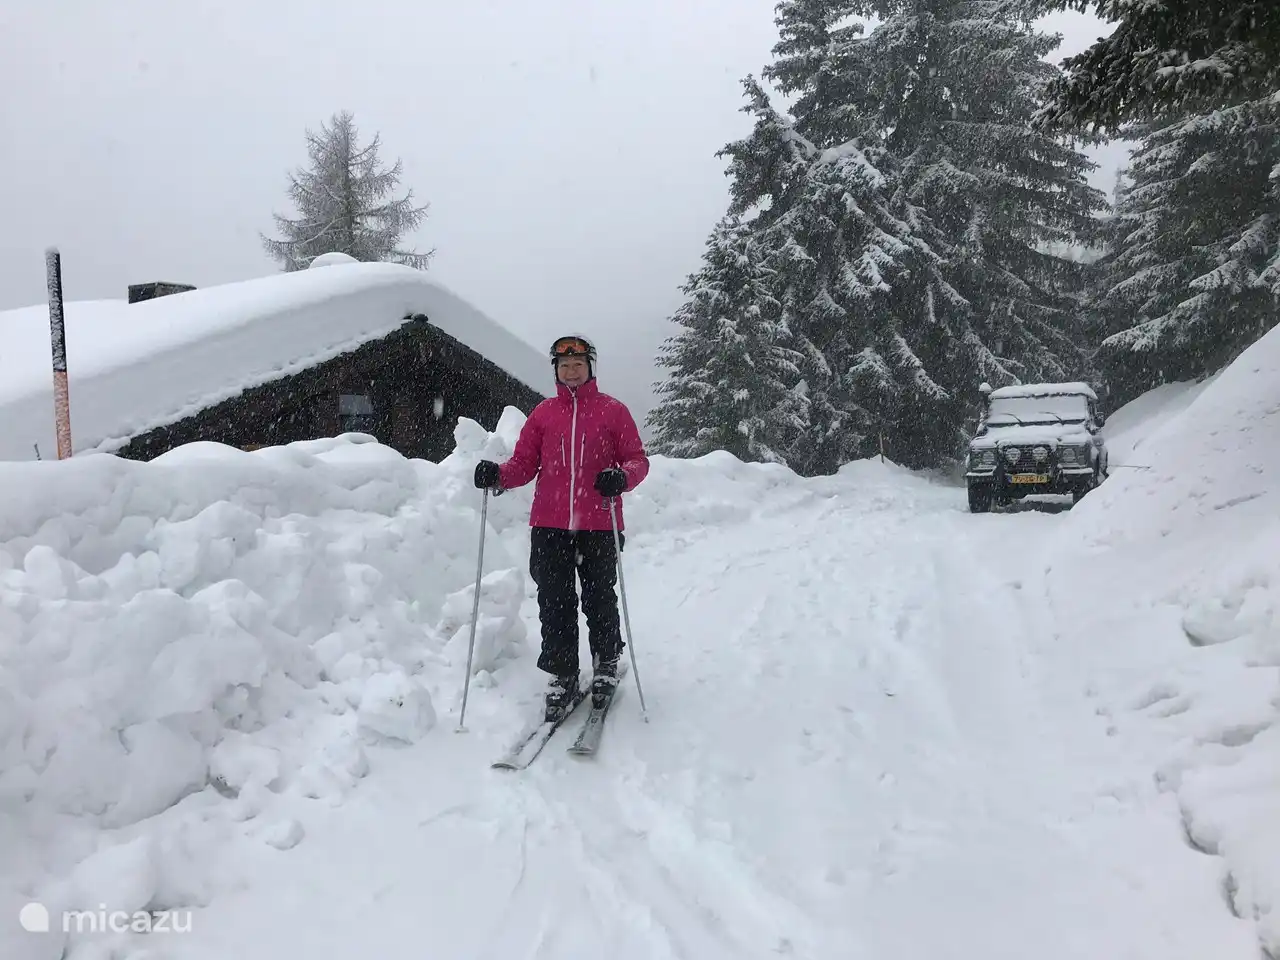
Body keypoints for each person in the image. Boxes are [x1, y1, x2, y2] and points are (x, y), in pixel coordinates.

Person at [473, 334, 650, 720]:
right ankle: (563, 674)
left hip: (599, 523)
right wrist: (497, 476)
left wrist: (621, 477)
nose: (572, 371)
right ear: (556, 370)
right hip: (549, 525)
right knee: (555, 602)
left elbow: (638, 460)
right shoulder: (543, 414)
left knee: (599, 597)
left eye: (579, 365)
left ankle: (605, 664)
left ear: (590, 369)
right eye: (565, 365)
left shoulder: (612, 411)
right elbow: (523, 466)